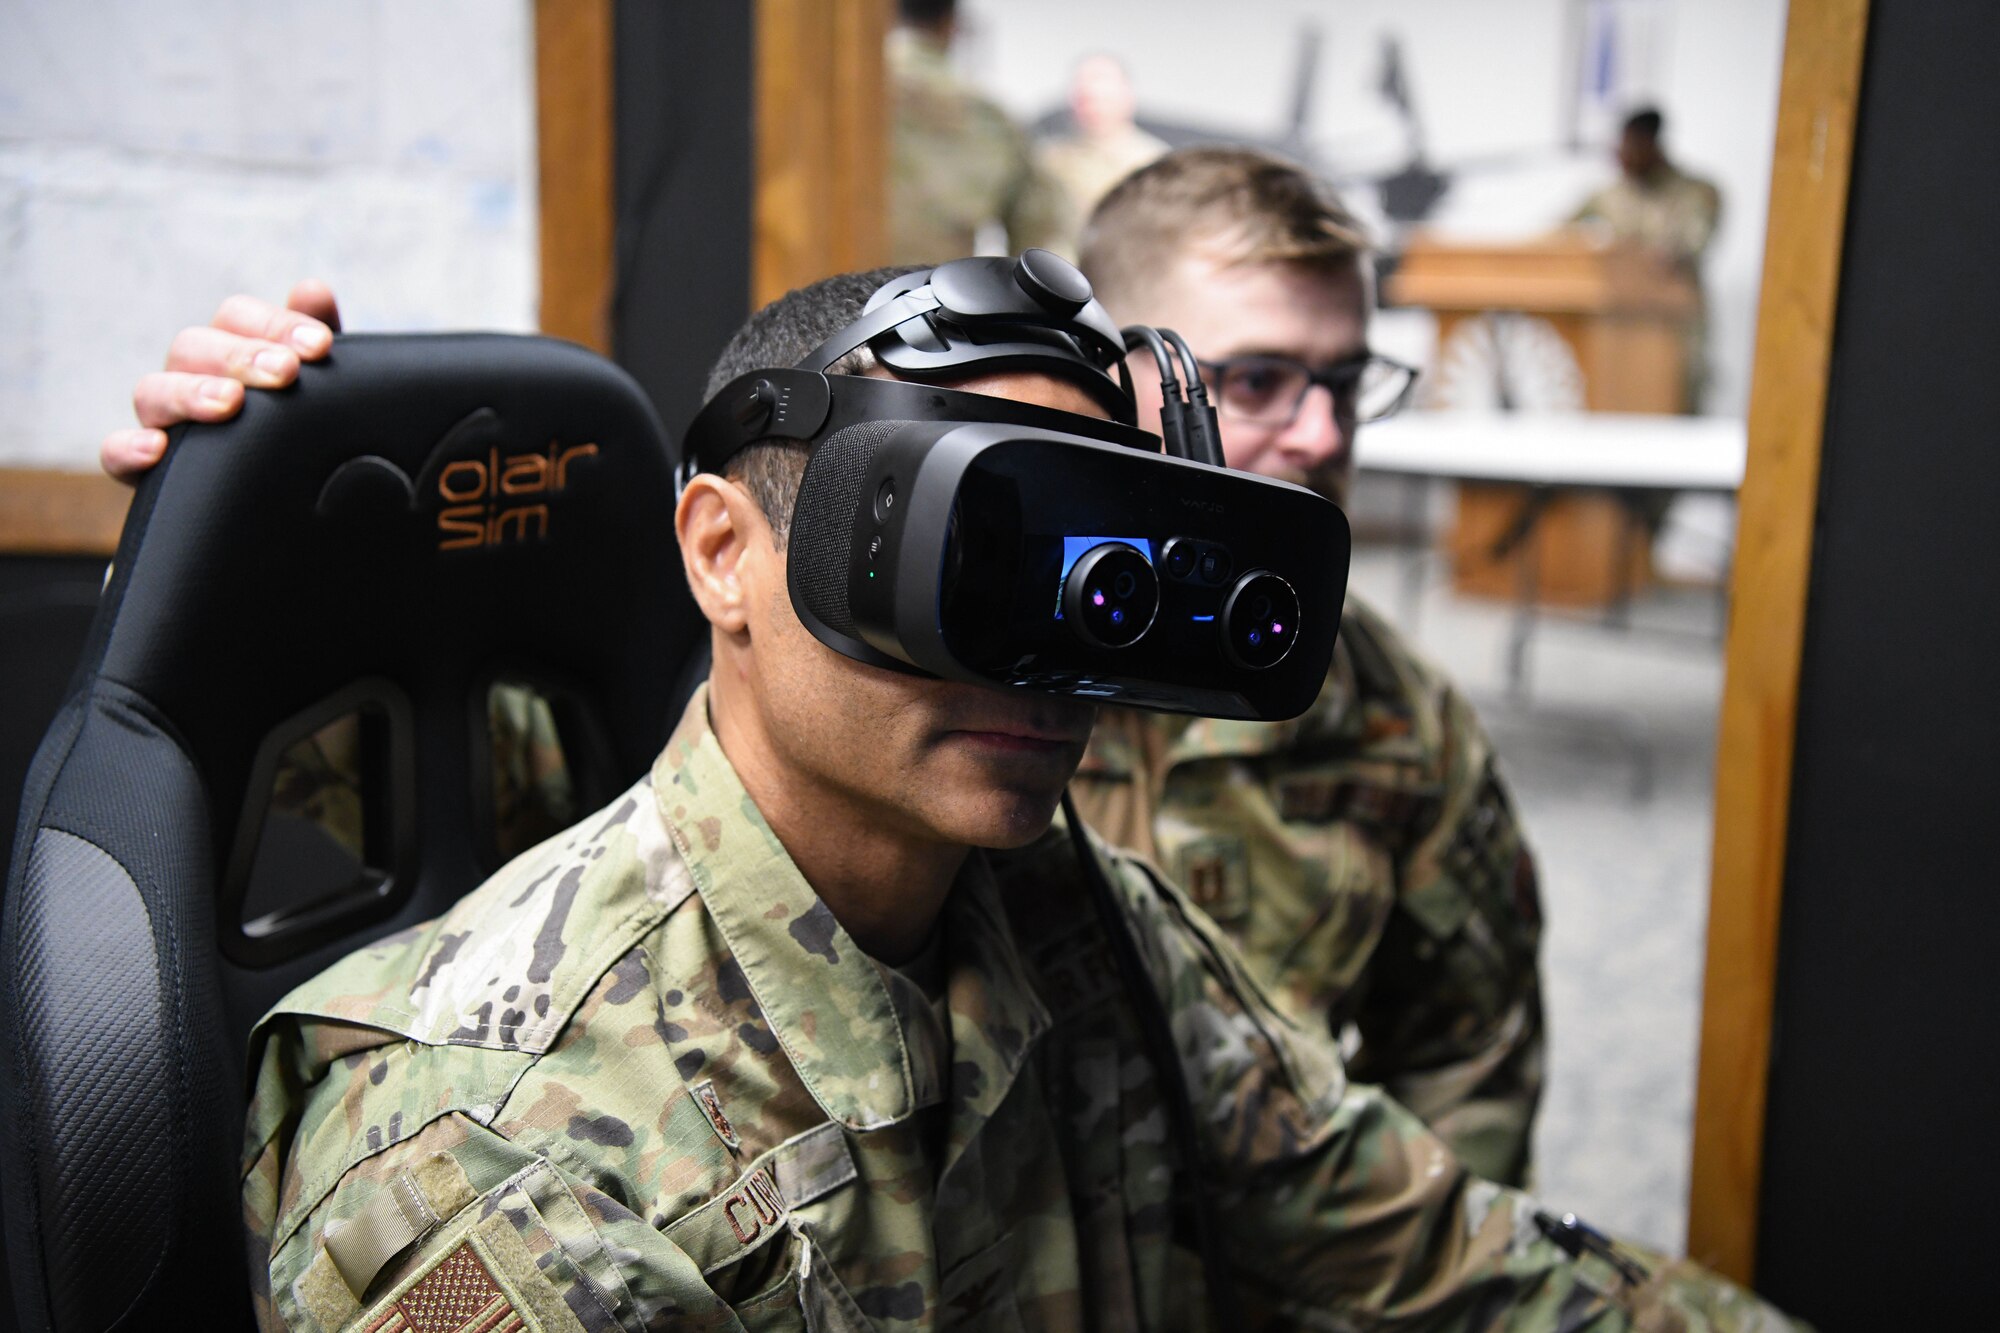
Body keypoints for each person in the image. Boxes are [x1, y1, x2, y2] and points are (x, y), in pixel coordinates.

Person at [113, 264, 1797, 1330]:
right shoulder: (499, 1156)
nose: (1041, 659)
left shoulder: (1079, 918)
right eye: (971, 549)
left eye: (1085, 578)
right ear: (725, 553)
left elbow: (1435, 1255)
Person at [1070, 145, 1546, 1187]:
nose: (1323, 433)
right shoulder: (966, 661)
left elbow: (1467, 1053)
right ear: (1104, 377)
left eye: (1341, 380)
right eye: (1254, 381)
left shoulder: (1389, 709)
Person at [887, 0, 1069, 265]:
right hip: (929, 298)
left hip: (820, 297)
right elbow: (1043, 240)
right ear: (950, 25)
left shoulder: (829, 107)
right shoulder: (989, 118)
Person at [1570, 107, 1722, 411]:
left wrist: (1652, 258)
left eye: (1632, 145)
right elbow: (1559, 234)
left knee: (1680, 409)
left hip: (1676, 330)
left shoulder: (1697, 193)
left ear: (1653, 144)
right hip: (1616, 333)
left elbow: (1692, 245)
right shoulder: (1608, 196)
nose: (1623, 154)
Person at [1034, 54, 1168, 257]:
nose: (1093, 107)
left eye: (1103, 98)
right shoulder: (1050, 159)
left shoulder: (1154, 162)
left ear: (1127, 97)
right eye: (1084, 99)